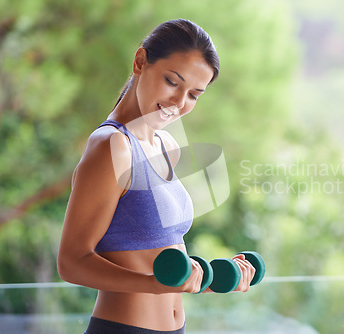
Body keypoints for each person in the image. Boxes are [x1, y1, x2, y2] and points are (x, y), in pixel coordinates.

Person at [57, 19, 255, 334]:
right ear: (140, 62)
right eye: (173, 82)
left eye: (194, 94)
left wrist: (204, 278)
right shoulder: (113, 146)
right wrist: (153, 285)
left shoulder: (167, 144)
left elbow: (156, 256)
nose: (179, 103)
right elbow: (72, 262)